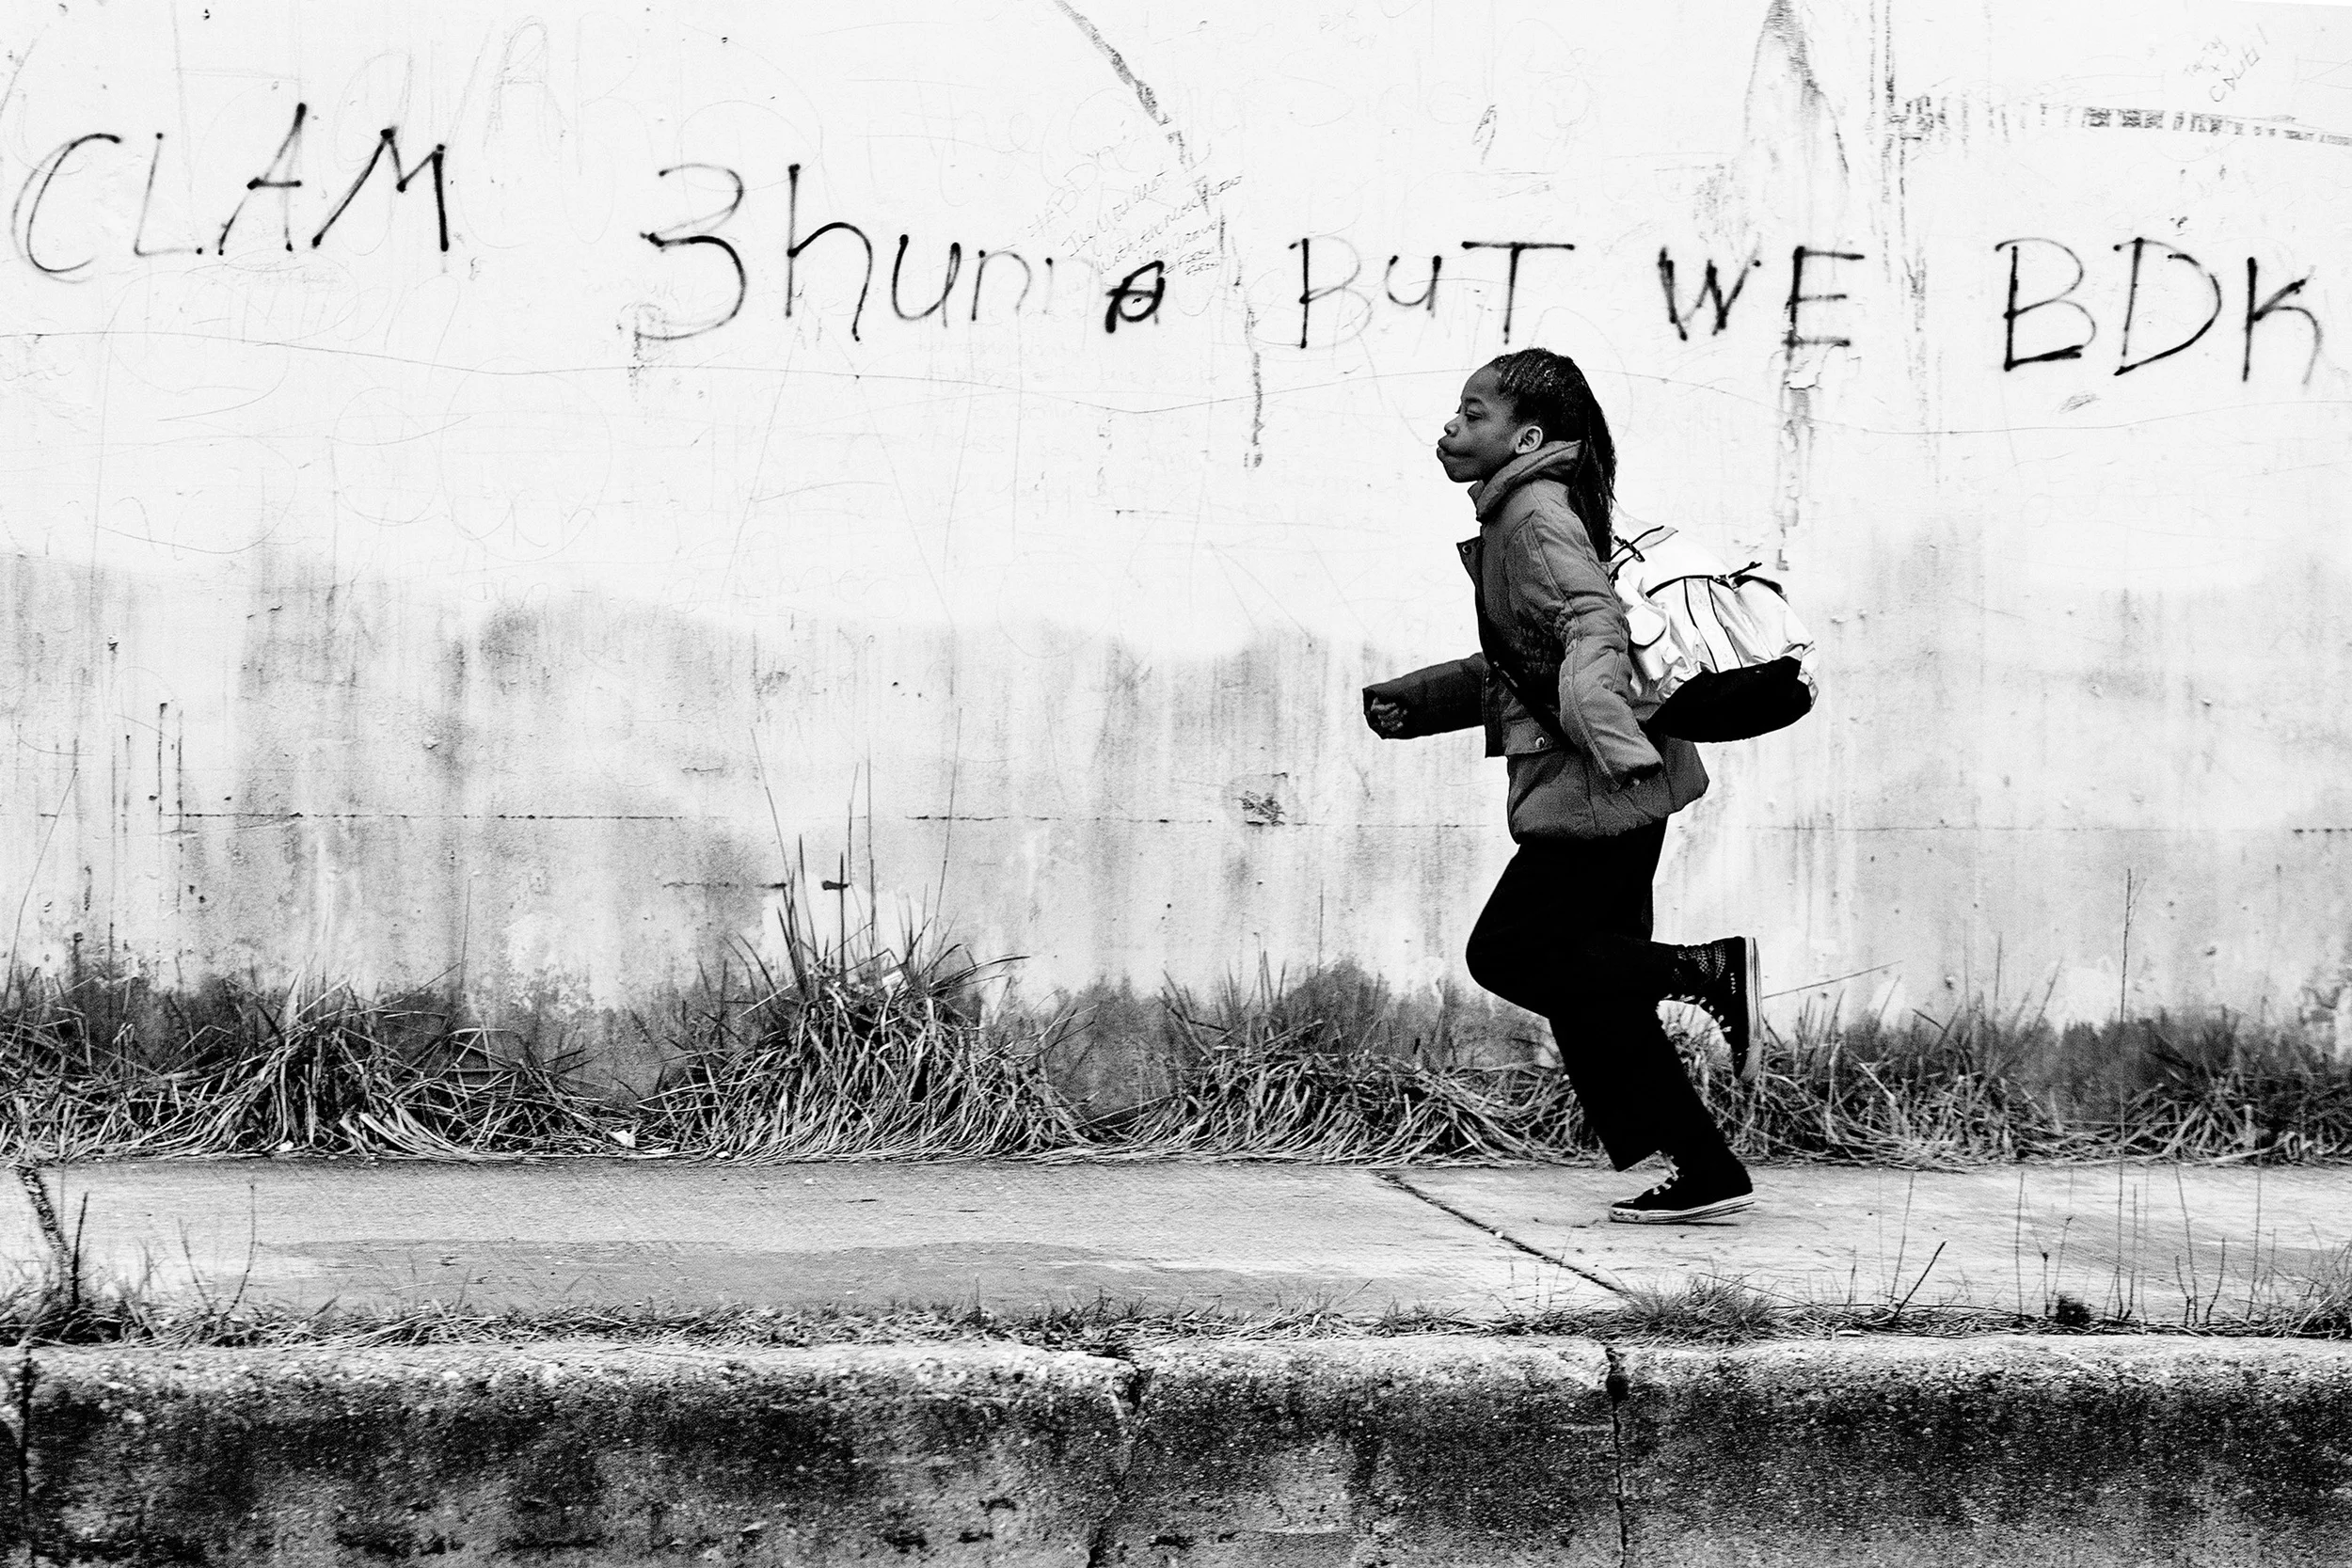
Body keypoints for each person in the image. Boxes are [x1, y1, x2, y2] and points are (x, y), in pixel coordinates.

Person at [1363, 347, 1758, 1223]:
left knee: (1507, 952)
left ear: (1526, 436)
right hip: (1611, 776)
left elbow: (1593, 625)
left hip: (1602, 784)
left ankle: (1704, 970)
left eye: (1473, 414)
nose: (1451, 427)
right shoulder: (1525, 511)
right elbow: (1523, 662)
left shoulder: (1533, 515)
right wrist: (1420, 701)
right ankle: (1703, 1165)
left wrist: (1615, 746)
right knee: (1593, 984)